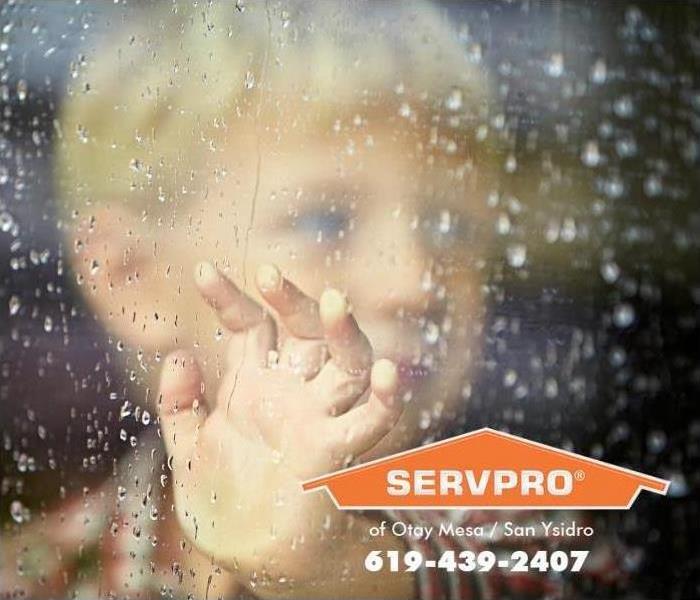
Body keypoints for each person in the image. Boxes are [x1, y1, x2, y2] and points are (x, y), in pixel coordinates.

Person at [2, 2, 627, 599]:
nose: (413, 284)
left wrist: (332, 572)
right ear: (130, 275)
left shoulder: (532, 538)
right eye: (325, 222)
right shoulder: (34, 577)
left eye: (452, 230)